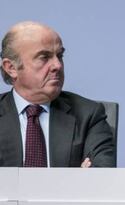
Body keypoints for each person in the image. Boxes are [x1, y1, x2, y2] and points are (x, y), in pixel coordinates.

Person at [0, 21, 115, 167]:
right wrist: (76, 179)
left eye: (59, 56)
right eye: (44, 57)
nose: (57, 65)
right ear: (11, 68)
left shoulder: (88, 115)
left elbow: (101, 177)